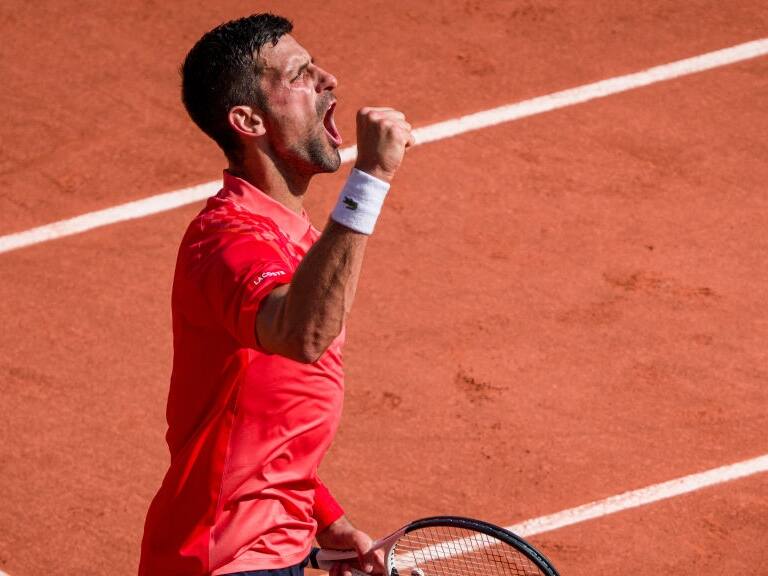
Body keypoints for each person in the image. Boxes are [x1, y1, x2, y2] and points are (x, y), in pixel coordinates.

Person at [138, 12, 413, 576]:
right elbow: (302, 335)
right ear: (248, 120)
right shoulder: (225, 241)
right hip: (222, 557)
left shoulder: (305, 242)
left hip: (273, 548)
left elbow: (270, 419)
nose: (328, 79)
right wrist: (370, 179)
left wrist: (326, 519)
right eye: (300, 75)